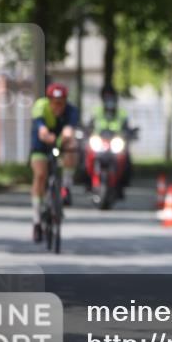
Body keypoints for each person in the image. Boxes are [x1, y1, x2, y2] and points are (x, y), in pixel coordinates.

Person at [29, 82, 80, 242]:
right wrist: (47, 136)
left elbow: (69, 130)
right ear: (49, 100)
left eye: (61, 103)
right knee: (40, 175)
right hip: (41, 145)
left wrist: (65, 137)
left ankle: (66, 186)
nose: (58, 107)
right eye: (55, 103)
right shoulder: (40, 107)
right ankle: (37, 220)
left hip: (60, 141)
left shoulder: (71, 111)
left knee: (73, 146)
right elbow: (42, 131)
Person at [88, 84, 133, 194]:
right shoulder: (96, 111)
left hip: (115, 142)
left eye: (111, 97)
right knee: (85, 153)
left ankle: (122, 182)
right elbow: (89, 126)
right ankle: (86, 180)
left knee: (125, 158)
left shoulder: (121, 113)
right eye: (106, 97)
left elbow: (127, 128)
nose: (109, 100)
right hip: (100, 142)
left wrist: (129, 134)